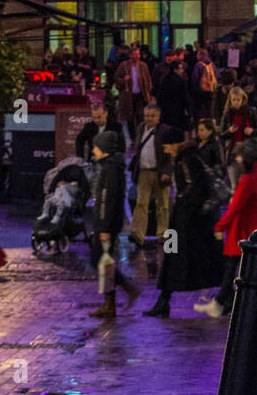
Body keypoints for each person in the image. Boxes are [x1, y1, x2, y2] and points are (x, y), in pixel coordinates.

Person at [195, 135, 257, 318]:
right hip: (250, 227)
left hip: (243, 229)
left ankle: (220, 303)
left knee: (234, 266)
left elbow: (234, 207)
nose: (237, 159)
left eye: (240, 156)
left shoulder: (248, 179)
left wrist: (219, 226)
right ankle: (221, 303)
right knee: (238, 267)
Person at [143, 142, 224, 317]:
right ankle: (163, 300)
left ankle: (164, 301)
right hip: (179, 221)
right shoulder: (182, 160)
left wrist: (185, 206)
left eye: (168, 145)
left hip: (186, 223)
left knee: (178, 258)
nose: (166, 148)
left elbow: (199, 188)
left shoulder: (189, 160)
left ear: (177, 144)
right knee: (171, 257)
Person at [88, 130, 140, 319]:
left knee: (100, 260)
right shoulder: (109, 167)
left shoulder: (110, 170)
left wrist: (104, 227)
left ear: (104, 149)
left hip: (107, 225)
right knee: (103, 261)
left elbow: (107, 200)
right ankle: (110, 302)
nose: (93, 150)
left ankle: (126, 290)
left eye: (96, 146)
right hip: (108, 223)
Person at [129, 102, 182, 248]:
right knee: (141, 204)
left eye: (152, 116)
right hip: (144, 172)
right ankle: (137, 234)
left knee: (163, 205)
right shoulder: (140, 128)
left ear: (158, 117)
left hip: (159, 172)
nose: (149, 118)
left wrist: (167, 172)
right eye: (147, 115)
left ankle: (164, 235)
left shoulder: (165, 131)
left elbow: (171, 155)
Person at [114, 45, 153, 143]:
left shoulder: (143, 65)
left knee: (140, 115)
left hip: (140, 95)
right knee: (129, 117)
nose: (137, 56)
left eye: (138, 54)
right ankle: (133, 137)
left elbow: (148, 79)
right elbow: (116, 78)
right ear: (130, 55)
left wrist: (149, 93)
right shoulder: (124, 65)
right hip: (128, 95)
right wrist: (124, 80)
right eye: (135, 54)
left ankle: (140, 136)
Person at [156, 58, 192, 133]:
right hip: (178, 111)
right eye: (181, 69)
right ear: (175, 70)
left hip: (165, 111)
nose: (182, 71)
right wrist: (189, 110)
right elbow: (186, 97)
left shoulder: (164, 79)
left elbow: (160, 96)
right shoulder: (181, 81)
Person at [191, 47, 217, 120]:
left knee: (199, 108)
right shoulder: (212, 64)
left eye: (197, 54)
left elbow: (195, 78)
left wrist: (195, 88)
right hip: (210, 89)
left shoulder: (198, 65)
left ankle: (200, 122)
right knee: (209, 108)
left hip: (200, 90)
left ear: (201, 55)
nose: (196, 56)